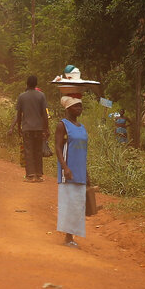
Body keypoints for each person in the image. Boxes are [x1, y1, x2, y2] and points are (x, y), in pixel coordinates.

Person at [55, 95, 89, 247]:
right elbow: (58, 147)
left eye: (80, 106)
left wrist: (86, 172)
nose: (79, 109)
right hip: (68, 172)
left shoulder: (81, 127)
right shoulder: (62, 125)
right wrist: (65, 167)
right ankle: (68, 238)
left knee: (78, 205)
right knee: (69, 203)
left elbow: (83, 151)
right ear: (68, 108)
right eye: (76, 106)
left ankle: (71, 236)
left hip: (80, 171)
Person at [8, 76, 49, 182]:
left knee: (28, 151)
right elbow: (45, 114)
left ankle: (30, 176)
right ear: (36, 84)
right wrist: (46, 128)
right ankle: (38, 175)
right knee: (38, 151)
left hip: (27, 128)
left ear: (27, 84)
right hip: (39, 128)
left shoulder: (22, 96)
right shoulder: (41, 95)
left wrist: (18, 128)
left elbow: (19, 114)